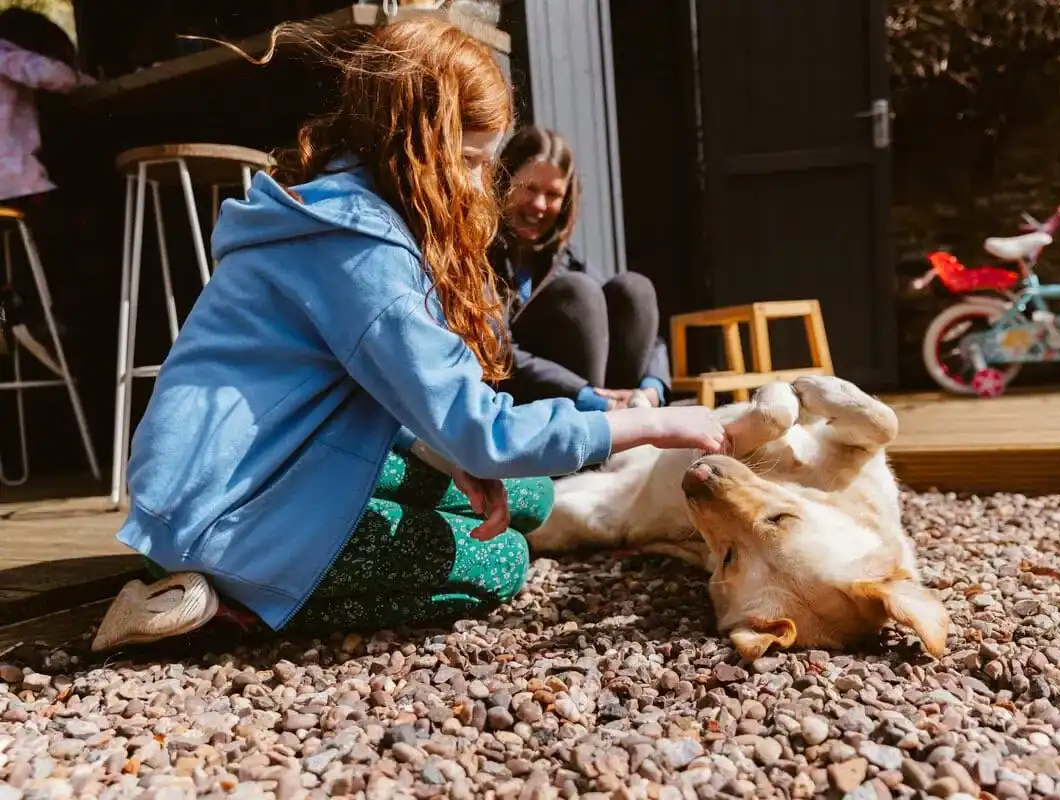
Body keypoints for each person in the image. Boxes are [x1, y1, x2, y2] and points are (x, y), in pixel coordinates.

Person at [92, 17, 726, 651]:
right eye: (473, 160)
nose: (484, 184)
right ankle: (227, 605)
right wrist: (660, 425)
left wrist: (450, 455)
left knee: (525, 497)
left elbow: (386, 401)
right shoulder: (363, 251)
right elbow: (486, 432)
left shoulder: (338, 207)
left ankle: (230, 579)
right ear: (417, 145)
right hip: (227, 518)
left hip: (240, 471)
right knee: (501, 558)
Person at [489, 126, 671, 412]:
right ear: (504, 181)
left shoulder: (565, 259)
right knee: (578, 292)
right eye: (530, 188)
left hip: (596, 397)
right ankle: (594, 432)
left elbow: (651, 339)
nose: (539, 204)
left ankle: (628, 421)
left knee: (634, 290)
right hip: (519, 398)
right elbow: (497, 352)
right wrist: (585, 396)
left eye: (552, 195)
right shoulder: (479, 255)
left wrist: (653, 388)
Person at [0, 8, 92, 370]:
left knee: (13, 255)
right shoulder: (7, 55)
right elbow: (52, 76)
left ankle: (9, 317)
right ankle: (38, 318)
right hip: (14, 184)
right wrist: (82, 80)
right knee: (60, 234)